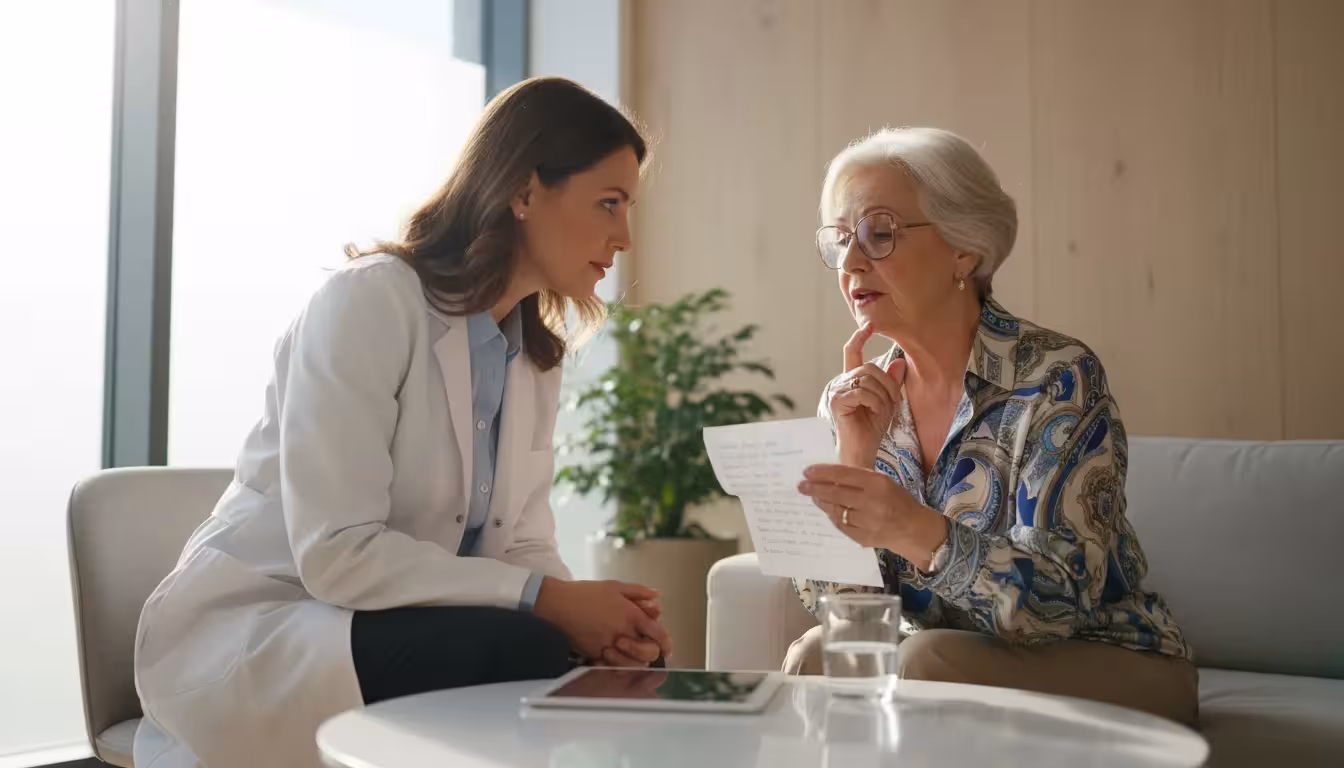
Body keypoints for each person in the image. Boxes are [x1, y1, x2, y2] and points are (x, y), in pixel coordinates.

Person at [132, 77, 673, 768]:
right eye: (608, 203)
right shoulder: (369, 303)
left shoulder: (532, 356)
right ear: (524, 191)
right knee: (527, 646)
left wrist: (598, 622)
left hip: (387, 623)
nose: (623, 237)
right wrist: (549, 602)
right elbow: (337, 554)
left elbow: (523, 545)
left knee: (597, 656)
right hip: (270, 627)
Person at [788, 127, 1196, 725]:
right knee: (820, 653)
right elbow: (843, 614)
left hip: (1106, 659)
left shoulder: (1056, 378)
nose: (851, 262)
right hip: (949, 657)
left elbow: (1055, 606)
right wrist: (852, 458)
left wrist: (914, 529)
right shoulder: (856, 399)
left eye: (880, 234)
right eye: (841, 239)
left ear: (965, 248)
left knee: (929, 661)